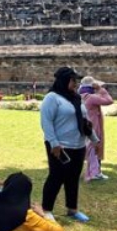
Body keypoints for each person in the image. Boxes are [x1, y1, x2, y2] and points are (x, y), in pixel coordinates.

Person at [40, 66, 91, 222]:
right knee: (56, 177)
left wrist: (93, 139)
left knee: (73, 177)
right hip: (59, 146)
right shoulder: (52, 98)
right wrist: (54, 143)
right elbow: (46, 122)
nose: (76, 83)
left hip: (78, 145)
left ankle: (72, 209)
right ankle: (46, 209)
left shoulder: (76, 98)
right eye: (73, 80)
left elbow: (84, 120)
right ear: (64, 80)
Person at [79, 76, 113, 182]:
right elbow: (109, 100)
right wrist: (101, 89)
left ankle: (94, 171)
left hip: (85, 125)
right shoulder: (91, 97)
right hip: (94, 125)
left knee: (88, 148)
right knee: (94, 148)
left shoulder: (80, 95)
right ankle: (94, 172)